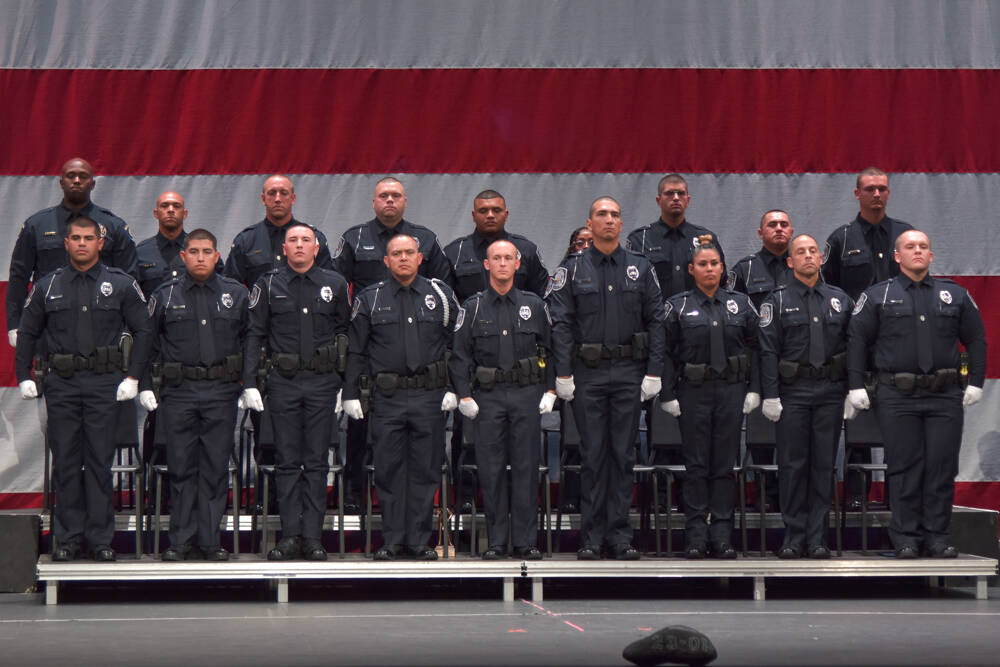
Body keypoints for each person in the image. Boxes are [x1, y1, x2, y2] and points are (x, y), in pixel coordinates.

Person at [15, 216, 150, 562]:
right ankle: (69, 539)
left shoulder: (120, 284)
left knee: (99, 462)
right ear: (66, 242)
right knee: (67, 462)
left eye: (88, 238)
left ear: (100, 243)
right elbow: (28, 332)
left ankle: (101, 540)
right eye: (75, 238)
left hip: (105, 384)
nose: (82, 244)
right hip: (62, 385)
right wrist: (23, 375)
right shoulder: (47, 285)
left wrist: (134, 377)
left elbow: (145, 331)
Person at [846, 230, 985, 558]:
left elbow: (976, 339)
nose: (918, 251)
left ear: (931, 256)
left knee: (941, 466)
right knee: (904, 467)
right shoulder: (878, 296)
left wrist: (976, 381)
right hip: (897, 395)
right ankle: (906, 538)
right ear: (897, 256)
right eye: (910, 247)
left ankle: (937, 536)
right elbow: (857, 341)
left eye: (923, 247)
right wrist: (855, 386)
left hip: (944, 395)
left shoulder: (954, 294)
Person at [547, 197, 665, 561]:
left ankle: (620, 536)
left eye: (615, 215)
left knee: (623, 455)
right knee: (593, 455)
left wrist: (654, 372)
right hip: (588, 374)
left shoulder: (640, 268)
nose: (610, 220)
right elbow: (561, 324)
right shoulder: (572, 268)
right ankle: (591, 537)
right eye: (602, 214)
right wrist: (563, 373)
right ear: (590, 222)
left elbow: (657, 321)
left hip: (630, 373)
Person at [333, 177, 452, 515]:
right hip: (372, 345)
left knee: (418, 452)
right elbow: (338, 288)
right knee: (361, 435)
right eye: (383, 196)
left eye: (395, 195)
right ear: (373, 202)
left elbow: (443, 286)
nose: (389, 201)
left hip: (418, 343)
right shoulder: (354, 238)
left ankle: (416, 525)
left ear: (405, 200)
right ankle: (355, 493)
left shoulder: (425, 238)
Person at [343, 235, 459, 561]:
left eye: (409, 252)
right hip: (387, 397)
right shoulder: (370, 298)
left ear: (420, 257)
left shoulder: (442, 295)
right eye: (396, 253)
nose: (403, 258)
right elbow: (356, 350)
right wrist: (351, 393)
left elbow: (458, 347)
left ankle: (420, 541)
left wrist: (455, 388)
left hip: (429, 394)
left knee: (425, 470)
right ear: (386, 260)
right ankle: (392, 540)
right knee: (389, 470)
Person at [242, 222, 351, 561]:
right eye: (294, 240)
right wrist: (249, 383)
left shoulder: (334, 284)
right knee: (288, 462)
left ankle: (314, 538)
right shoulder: (269, 284)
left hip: (323, 383)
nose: (300, 245)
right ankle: (289, 536)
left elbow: (348, 335)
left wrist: (347, 386)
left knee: (317, 463)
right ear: (284, 249)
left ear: (317, 248)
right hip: (283, 383)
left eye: (307, 240)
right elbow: (255, 335)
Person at [140, 229, 249, 561]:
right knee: (182, 467)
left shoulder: (236, 294)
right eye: (194, 251)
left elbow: (251, 343)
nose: (200, 257)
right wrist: (145, 384)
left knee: (215, 467)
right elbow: (147, 343)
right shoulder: (164, 294)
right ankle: (181, 541)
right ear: (183, 256)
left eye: (207, 251)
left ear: (217, 256)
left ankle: (210, 541)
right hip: (179, 392)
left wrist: (248, 384)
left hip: (221, 391)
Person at [443, 189, 549, 515]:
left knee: (523, 458)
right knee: (469, 442)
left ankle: (522, 536)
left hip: (519, 359)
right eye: (483, 210)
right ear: (473, 215)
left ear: (506, 213)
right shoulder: (455, 251)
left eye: (496, 210)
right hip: (476, 368)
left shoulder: (526, 249)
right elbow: (446, 302)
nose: (490, 215)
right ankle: (464, 497)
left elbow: (542, 298)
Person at [450, 239, 556, 560]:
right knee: (491, 470)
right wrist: (464, 395)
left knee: (525, 469)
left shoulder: (535, 305)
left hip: (526, 395)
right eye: (496, 258)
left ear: (517, 263)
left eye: (507, 258)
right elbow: (458, 356)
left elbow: (553, 350)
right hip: (488, 397)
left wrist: (551, 389)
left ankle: (524, 541)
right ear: (486, 264)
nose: (502, 264)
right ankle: (496, 541)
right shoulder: (472, 308)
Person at [661, 238, 760, 559]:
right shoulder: (676, 307)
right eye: (702, 264)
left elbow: (759, 349)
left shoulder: (741, 304)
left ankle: (721, 536)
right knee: (696, 466)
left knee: (723, 466)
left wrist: (755, 389)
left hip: (731, 391)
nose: (709, 269)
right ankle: (694, 537)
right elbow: (664, 353)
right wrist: (668, 394)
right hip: (693, 393)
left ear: (722, 268)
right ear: (691, 270)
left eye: (714, 264)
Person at [822, 167, 915, 510]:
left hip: (899, 345)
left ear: (888, 193)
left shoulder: (906, 236)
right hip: (856, 346)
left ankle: (897, 498)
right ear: (856, 193)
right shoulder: (841, 239)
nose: (877, 195)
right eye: (870, 189)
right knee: (857, 419)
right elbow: (828, 291)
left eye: (882, 189)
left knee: (899, 423)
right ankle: (856, 497)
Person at [758, 234, 853, 559]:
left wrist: (853, 389)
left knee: (823, 466)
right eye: (801, 252)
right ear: (790, 261)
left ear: (821, 259)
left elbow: (852, 349)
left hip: (829, 391)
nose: (809, 256)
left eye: (813, 251)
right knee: (793, 466)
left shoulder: (840, 299)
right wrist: (770, 395)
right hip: (793, 393)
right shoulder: (777, 301)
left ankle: (817, 539)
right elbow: (767, 351)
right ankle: (793, 537)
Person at [8, 157, 137, 346]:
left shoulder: (113, 226)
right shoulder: (37, 225)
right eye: (71, 176)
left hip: (103, 328)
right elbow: (19, 277)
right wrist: (15, 324)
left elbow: (130, 279)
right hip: (49, 327)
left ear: (92, 184)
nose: (77, 180)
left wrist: (129, 329)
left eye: (83, 176)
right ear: (61, 182)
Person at [731, 209, 795, 513]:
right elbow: (732, 315)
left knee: (795, 435)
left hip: (798, 362)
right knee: (760, 434)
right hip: (757, 362)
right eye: (772, 225)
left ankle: (790, 494)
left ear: (791, 231)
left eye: (784, 224)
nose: (779, 229)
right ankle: (765, 493)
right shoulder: (745, 270)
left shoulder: (803, 266)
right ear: (760, 233)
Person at [223, 175, 334, 289]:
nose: (277, 199)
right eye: (271, 193)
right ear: (263, 199)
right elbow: (230, 289)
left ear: (293, 198)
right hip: (260, 306)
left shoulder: (313, 238)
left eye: (284, 193)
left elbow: (330, 284)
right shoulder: (246, 241)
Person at [626, 174, 726, 299]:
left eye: (681, 193)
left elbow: (721, 285)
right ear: (658, 200)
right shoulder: (640, 239)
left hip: (697, 316)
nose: (676, 198)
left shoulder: (705, 237)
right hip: (656, 317)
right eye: (669, 193)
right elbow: (630, 287)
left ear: (688, 200)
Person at [556, 226, 593, 514]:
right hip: (572, 368)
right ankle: (570, 494)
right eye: (578, 242)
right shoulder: (564, 274)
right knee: (573, 440)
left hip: (606, 368)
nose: (584, 246)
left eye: (590, 242)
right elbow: (556, 324)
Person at [136, 191, 223, 297]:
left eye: (177, 206)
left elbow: (222, 285)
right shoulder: (141, 252)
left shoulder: (203, 249)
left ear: (185, 214)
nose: (171, 210)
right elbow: (132, 295)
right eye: (164, 206)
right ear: (156, 213)